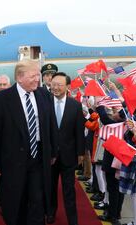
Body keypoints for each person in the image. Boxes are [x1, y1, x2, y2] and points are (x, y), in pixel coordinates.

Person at [0, 59, 57, 225]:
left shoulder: (44, 95)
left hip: (38, 157)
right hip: (11, 161)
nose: (37, 80)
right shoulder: (1, 99)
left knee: (37, 201)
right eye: (33, 76)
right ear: (19, 77)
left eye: (37, 76)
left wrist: (53, 151)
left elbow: (51, 124)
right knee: (15, 203)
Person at [47, 72, 85, 225]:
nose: (55, 88)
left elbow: (79, 131)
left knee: (69, 189)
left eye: (59, 85)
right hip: (49, 155)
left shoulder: (75, 105)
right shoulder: (45, 103)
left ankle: (72, 219)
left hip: (69, 155)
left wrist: (80, 152)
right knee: (50, 187)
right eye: (53, 84)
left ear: (68, 87)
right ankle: (50, 213)